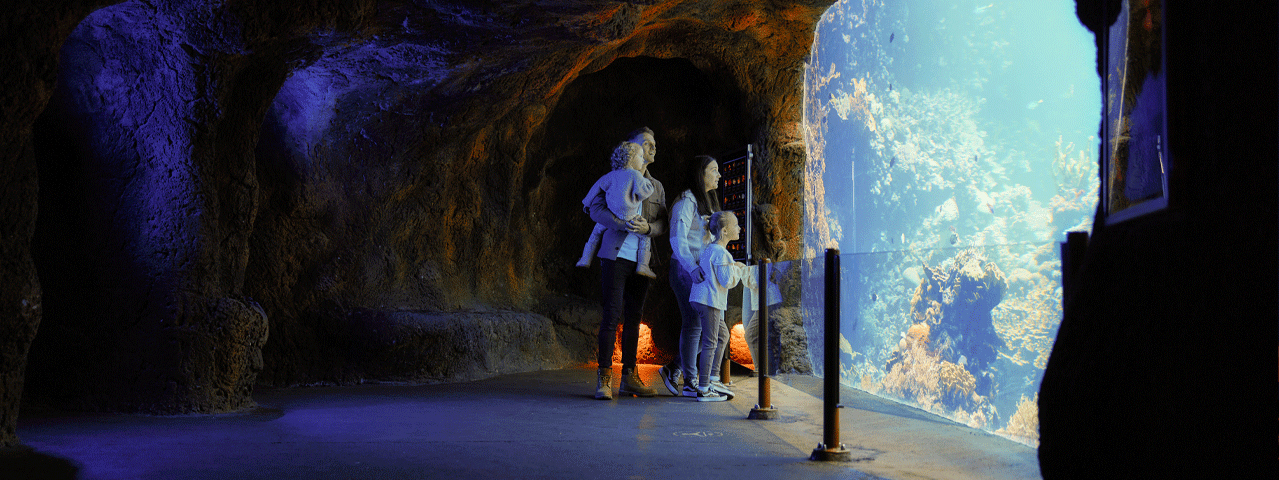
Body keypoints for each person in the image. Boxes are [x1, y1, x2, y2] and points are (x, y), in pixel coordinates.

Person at [584, 127, 666, 400]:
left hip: (642, 259)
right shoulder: (614, 178)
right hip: (614, 254)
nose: (652, 148)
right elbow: (593, 208)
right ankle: (604, 379)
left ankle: (629, 378)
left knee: (634, 318)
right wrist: (619, 223)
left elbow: (663, 223)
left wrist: (648, 228)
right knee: (611, 314)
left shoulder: (657, 187)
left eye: (655, 144)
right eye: (646, 143)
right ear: (630, 147)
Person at [658, 156, 721, 397]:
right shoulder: (686, 201)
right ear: (700, 174)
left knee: (705, 325)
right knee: (695, 322)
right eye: (713, 170)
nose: (719, 175)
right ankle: (689, 380)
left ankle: (676, 368)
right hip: (686, 270)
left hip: (700, 271)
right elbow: (677, 239)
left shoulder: (707, 200)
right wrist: (693, 269)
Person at [688, 211, 755, 402]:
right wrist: (738, 271)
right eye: (736, 225)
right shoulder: (721, 253)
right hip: (710, 301)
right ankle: (704, 388)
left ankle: (714, 378)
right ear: (725, 231)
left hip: (702, 299)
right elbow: (726, 281)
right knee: (710, 342)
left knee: (722, 335)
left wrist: (734, 265)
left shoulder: (711, 249)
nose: (740, 228)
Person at [576, 142, 656, 279]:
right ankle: (643, 266)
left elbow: (596, 188)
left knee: (595, 234)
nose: (643, 160)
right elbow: (645, 191)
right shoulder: (636, 175)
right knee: (645, 237)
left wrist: (586, 203)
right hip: (631, 218)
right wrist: (648, 183)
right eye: (640, 156)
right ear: (631, 158)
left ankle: (585, 258)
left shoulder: (610, 175)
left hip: (612, 215)